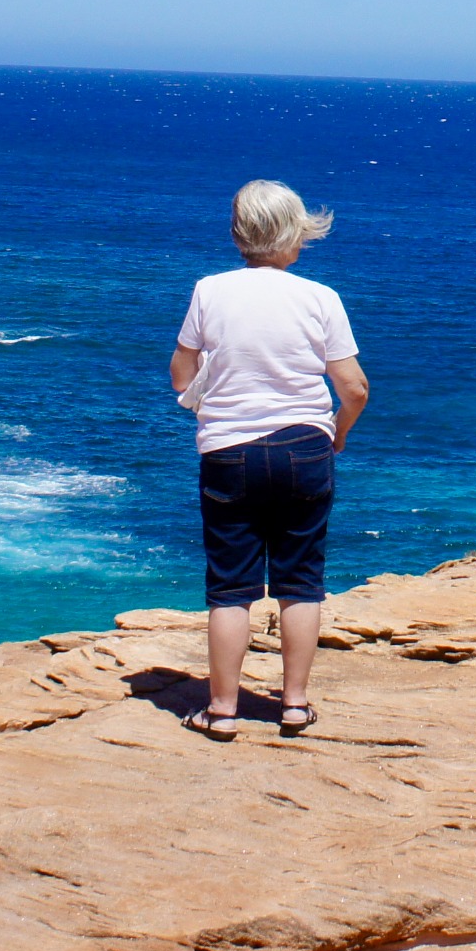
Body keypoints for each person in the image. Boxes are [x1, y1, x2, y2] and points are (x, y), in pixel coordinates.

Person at [170, 179, 369, 741]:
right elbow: (353, 387)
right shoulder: (320, 298)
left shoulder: (209, 291)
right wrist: (338, 434)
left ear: (239, 234)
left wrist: (207, 404)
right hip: (305, 448)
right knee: (301, 581)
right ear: (295, 236)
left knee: (230, 586)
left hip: (229, 453)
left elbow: (182, 374)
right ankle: (295, 705)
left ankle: (223, 709)